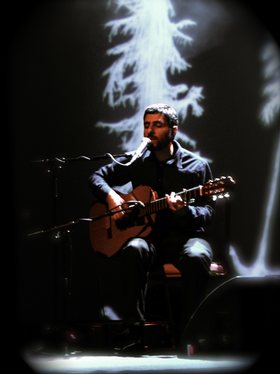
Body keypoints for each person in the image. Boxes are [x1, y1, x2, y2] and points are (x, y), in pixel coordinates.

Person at [89, 103, 215, 354]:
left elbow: (208, 213)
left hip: (185, 236)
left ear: (173, 130)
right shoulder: (137, 160)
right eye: (147, 125)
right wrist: (112, 197)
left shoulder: (196, 166)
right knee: (134, 249)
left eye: (157, 125)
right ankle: (133, 334)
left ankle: (189, 336)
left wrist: (183, 211)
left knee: (197, 256)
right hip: (149, 238)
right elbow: (96, 177)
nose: (150, 131)